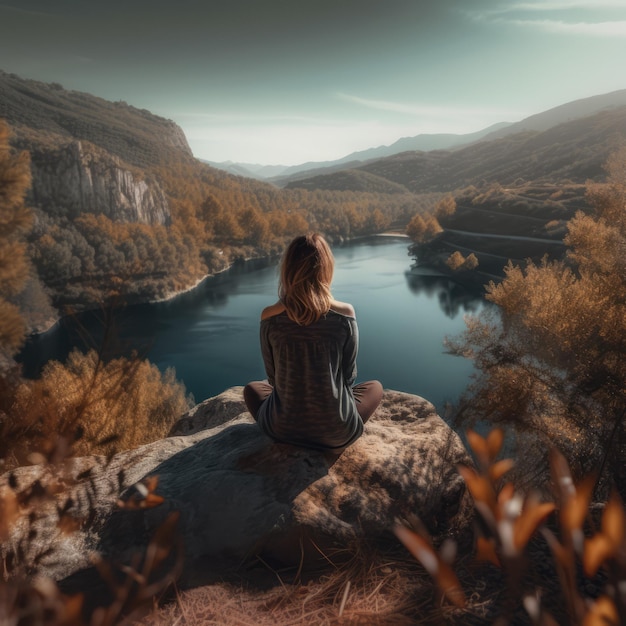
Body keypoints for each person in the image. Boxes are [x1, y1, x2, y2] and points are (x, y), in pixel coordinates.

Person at [244, 233, 383, 453]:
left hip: (281, 430)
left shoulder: (269, 316)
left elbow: (273, 379)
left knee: (252, 389)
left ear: (288, 270)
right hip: (337, 435)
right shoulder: (345, 314)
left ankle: (291, 422)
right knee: (375, 387)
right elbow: (348, 377)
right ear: (325, 269)